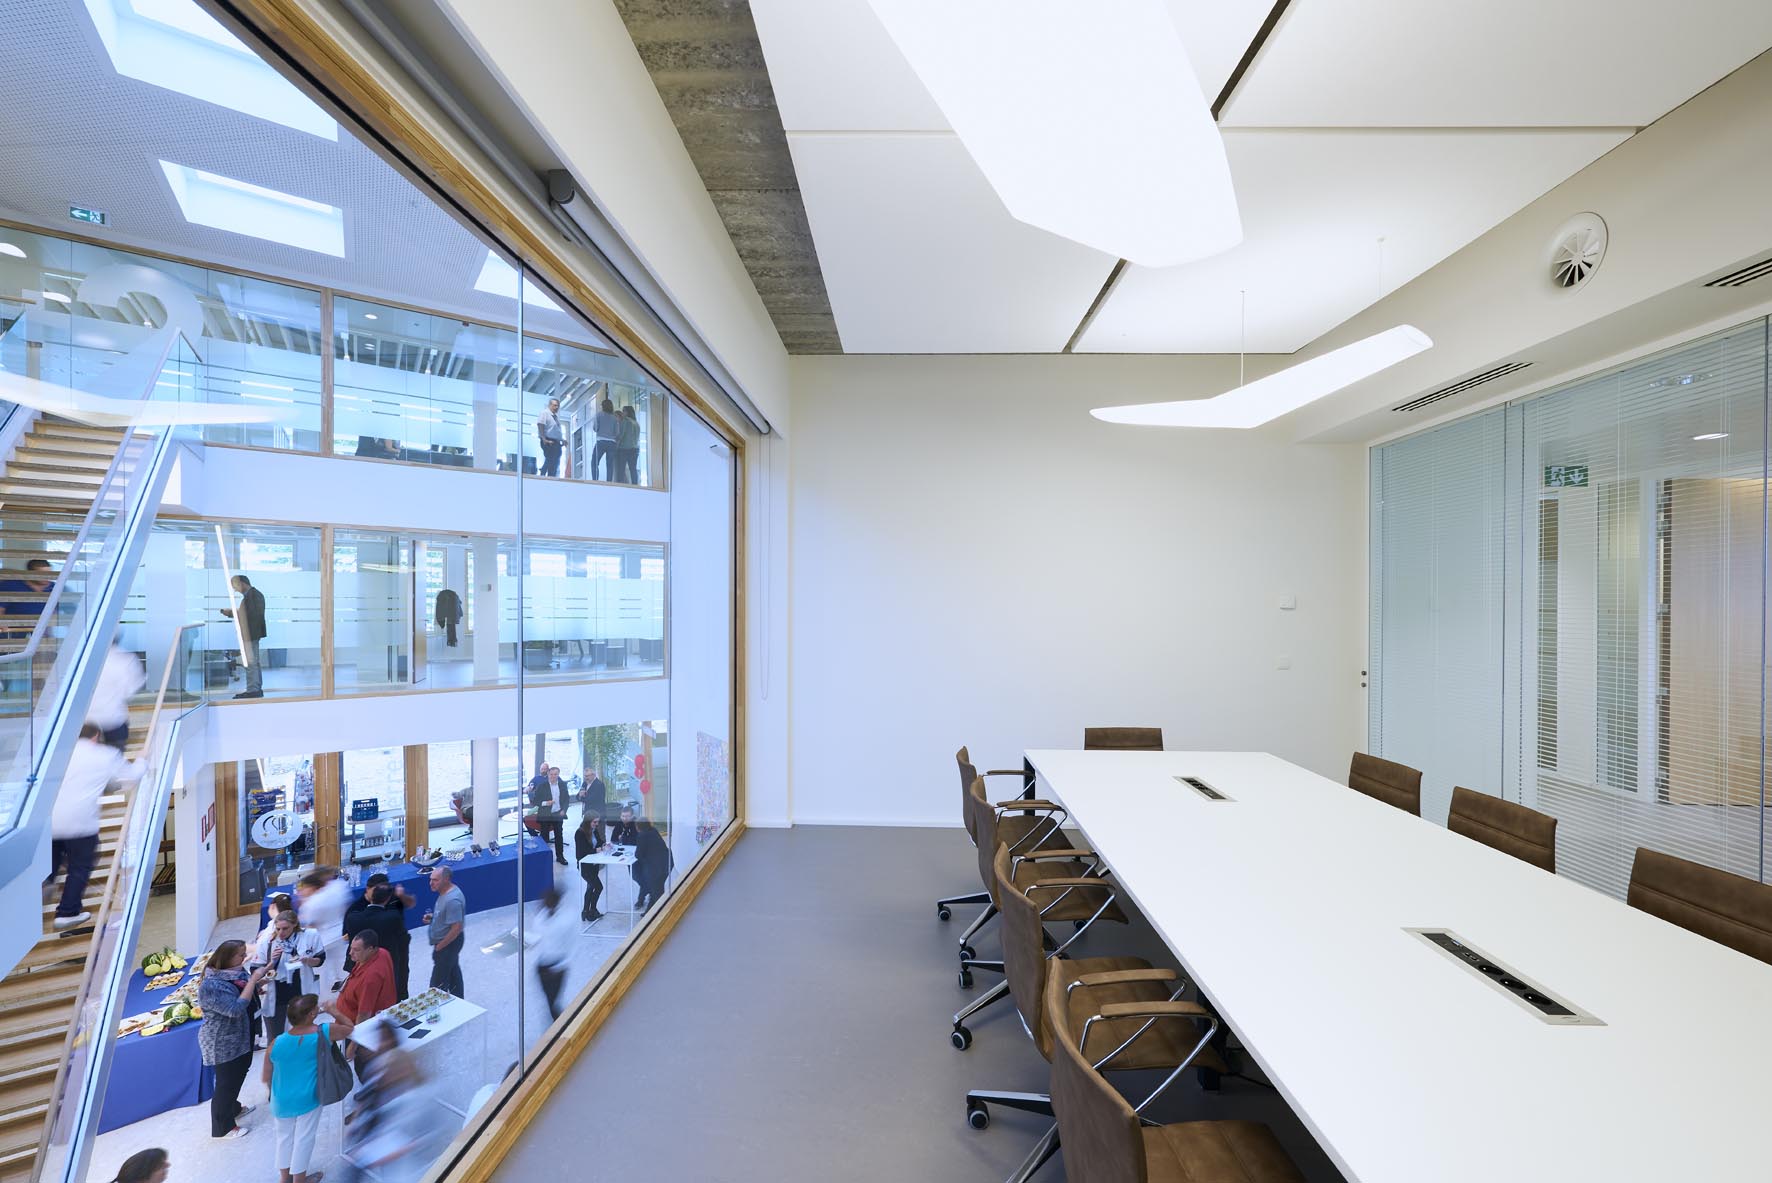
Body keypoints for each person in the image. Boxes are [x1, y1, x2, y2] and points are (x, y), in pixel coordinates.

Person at [48, 724, 142, 929]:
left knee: (52, 861)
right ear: (96, 736)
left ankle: (44, 885)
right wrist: (142, 760)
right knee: (80, 866)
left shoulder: (59, 754)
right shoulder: (105, 754)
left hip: (51, 822)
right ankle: (67, 912)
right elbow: (133, 774)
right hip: (81, 823)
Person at [263, 993, 354, 1183]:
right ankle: (299, 1180)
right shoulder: (324, 1032)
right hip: (308, 1097)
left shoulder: (276, 1042)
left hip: (280, 1100)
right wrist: (333, 1010)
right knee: (304, 1139)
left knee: (284, 1138)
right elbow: (350, 1028)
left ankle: (284, 1178)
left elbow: (266, 1076)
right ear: (312, 1014)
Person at [197, 938, 271, 1140]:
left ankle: (233, 1108)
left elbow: (241, 992)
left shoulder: (236, 973)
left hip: (241, 1035)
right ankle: (223, 1127)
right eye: (241, 954)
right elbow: (234, 1008)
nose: (245, 957)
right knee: (226, 1083)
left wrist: (257, 984)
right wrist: (253, 981)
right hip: (223, 1042)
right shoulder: (211, 986)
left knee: (239, 1073)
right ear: (227, 958)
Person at [255, 909, 326, 1040]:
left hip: (301, 990)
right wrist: (272, 962)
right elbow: (256, 970)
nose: (281, 933)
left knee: (304, 1033)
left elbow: (320, 960)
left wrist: (307, 961)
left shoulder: (310, 935)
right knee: (276, 1037)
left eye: (285, 928)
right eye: (278, 929)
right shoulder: (267, 941)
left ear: (295, 924)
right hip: (277, 993)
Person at [346, 881, 412, 1000]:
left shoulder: (353, 918)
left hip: (361, 964)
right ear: (387, 899)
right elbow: (403, 940)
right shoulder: (393, 917)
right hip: (386, 964)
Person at [297, 868, 353, 986]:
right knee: (343, 965)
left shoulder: (311, 904)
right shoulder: (339, 886)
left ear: (312, 887)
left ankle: (333, 989)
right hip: (342, 934)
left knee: (326, 972)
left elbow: (309, 926)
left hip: (323, 940)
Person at [87, 644, 145, 751]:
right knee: (115, 755)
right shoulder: (125, 659)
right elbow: (130, 691)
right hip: (114, 719)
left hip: (88, 721)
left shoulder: (85, 658)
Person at [219, 574, 267, 699]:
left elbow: (250, 616)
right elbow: (246, 614)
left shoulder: (253, 596)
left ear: (242, 583)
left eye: (235, 586)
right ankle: (255, 689)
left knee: (251, 663)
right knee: (253, 663)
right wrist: (232, 613)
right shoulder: (253, 595)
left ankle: (253, 690)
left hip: (250, 635)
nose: (236, 590)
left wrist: (232, 613)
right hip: (250, 634)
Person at [533, 887, 577, 1020]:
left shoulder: (567, 919)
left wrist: (560, 967)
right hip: (542, 965)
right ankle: (558, 1022)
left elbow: (572, 945)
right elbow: (539, 937)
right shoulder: (540, 917)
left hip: (557, 967)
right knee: (549, 1001)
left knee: (553, 1002)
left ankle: (561, 1024)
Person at [423, 865, 466, 998]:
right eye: (431, 879)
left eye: (435, 880)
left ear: (446, 879)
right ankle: (459, 1001)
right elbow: (448, 917)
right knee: (453, 974)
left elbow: (456, 928)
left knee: (437, 985)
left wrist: (440, 947)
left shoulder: (452, 900)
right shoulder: (445, 893)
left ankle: (435, 1008)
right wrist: (434, 918)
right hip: (447, 944)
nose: (431, 883)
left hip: (448, 944)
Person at [0, 557, 54, 647]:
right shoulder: (11, 586)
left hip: (40, 630)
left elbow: (62, 610)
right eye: (42, 574)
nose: (47, 577)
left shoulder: (54, 588)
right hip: (12, 631)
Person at [527, 765, 569, 866]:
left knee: (559, 836)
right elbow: (536, 801)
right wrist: (546, 803)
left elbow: (566, 799)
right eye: (551, 774)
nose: (553, 776)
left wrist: (564, 810)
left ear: (558, 775)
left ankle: (560, 857)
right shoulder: (542, 786)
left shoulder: (562, 785)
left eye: (555, 774)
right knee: (544, 837)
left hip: (558, 814)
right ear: (548, 775)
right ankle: (544, 858)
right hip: (545, 815)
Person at [573, 811, 607, 922]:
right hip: (585, 866)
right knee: (597, 887)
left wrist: (604, 845)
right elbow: (581, 852)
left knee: (591, 887)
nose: (597, 824)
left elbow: (599, 841)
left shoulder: (594, 830)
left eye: (597, 822)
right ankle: (590, 910)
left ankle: (588, 911)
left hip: (594, 864)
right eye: (594, 822)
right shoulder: (579, 833)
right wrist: (597, 850)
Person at [632, 818, 672, 912]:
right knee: (656, 889)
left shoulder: (642, 836)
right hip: (667, 862)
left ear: (638, 827)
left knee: (656, 891)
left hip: (657, 867)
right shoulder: (653, 830)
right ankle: (649, 910)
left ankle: (651, 914)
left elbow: (638, 855)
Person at [590, 396, 620, 481]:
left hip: (601, 442)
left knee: (594, 462)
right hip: (612, 443)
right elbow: (617, 433)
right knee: (610, 464)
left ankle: (595, 481)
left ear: (603, 406)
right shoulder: (614, 418)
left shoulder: (599, 415)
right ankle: (609, 483)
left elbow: (595, 428)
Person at [536, 396, 565, 477]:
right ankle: (544, 473)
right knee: (551, 458)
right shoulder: (545, 413)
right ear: (550, 405)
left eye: (558, 406)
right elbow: (540, 424)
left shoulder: (555, 417)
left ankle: (550, 476)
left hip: (556, 441)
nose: (557, 407)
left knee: (556, 459)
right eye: (555, 405)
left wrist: (562, 439)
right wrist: (544, 438)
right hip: (548, 440)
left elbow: (555, 430)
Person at [615, 404, 641, 484]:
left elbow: (621, 435)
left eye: (624, 411)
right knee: (633, 469)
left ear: (627, 412)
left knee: (621, 469)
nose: (622, 413)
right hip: (635, 449)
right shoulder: (636, 423)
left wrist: (615, 442)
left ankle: (620, 486)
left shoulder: (625, 421)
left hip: (624, 449)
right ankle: (635, 485)